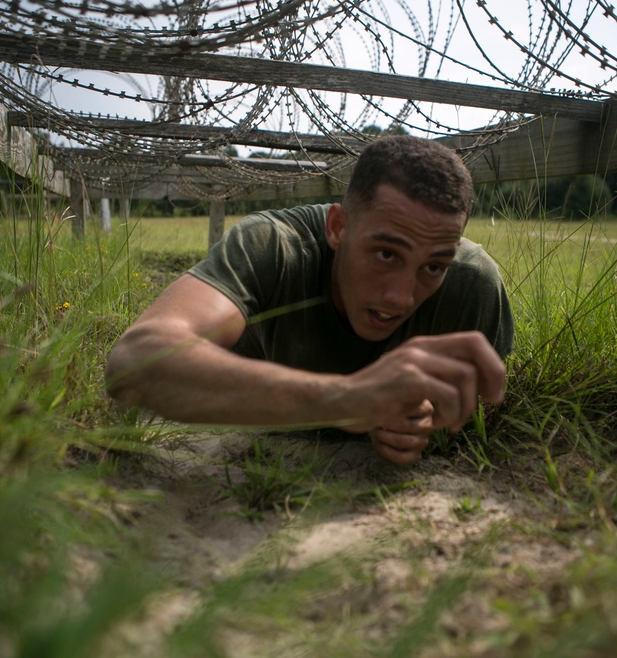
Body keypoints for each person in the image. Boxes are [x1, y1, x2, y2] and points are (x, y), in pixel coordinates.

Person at [106, 135, 514, 466]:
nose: (401, 296)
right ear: (337, 227)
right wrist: (348, 399)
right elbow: (135, 361)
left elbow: (480, 420)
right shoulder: (274, 246)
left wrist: (420, 420)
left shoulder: (472, 284)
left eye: (433, 267)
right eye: (386, 254)